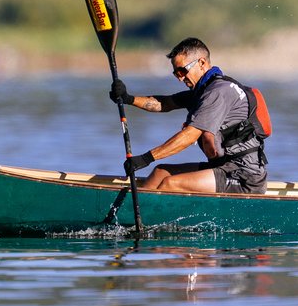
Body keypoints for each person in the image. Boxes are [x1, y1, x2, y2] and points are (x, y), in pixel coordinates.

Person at [109, 37, 268, 194]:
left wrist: (145, 158)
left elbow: (189, 136)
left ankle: (155, 217)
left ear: (202, 63)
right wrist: (127, 98)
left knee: (170, 184)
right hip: (223, 166)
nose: (180, 78)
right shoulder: (203, 91)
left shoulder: (218, 92)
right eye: (176, 73)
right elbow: (164, 103)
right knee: (161, 172)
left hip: (244, 175)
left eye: (182, 71)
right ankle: (133, 213)